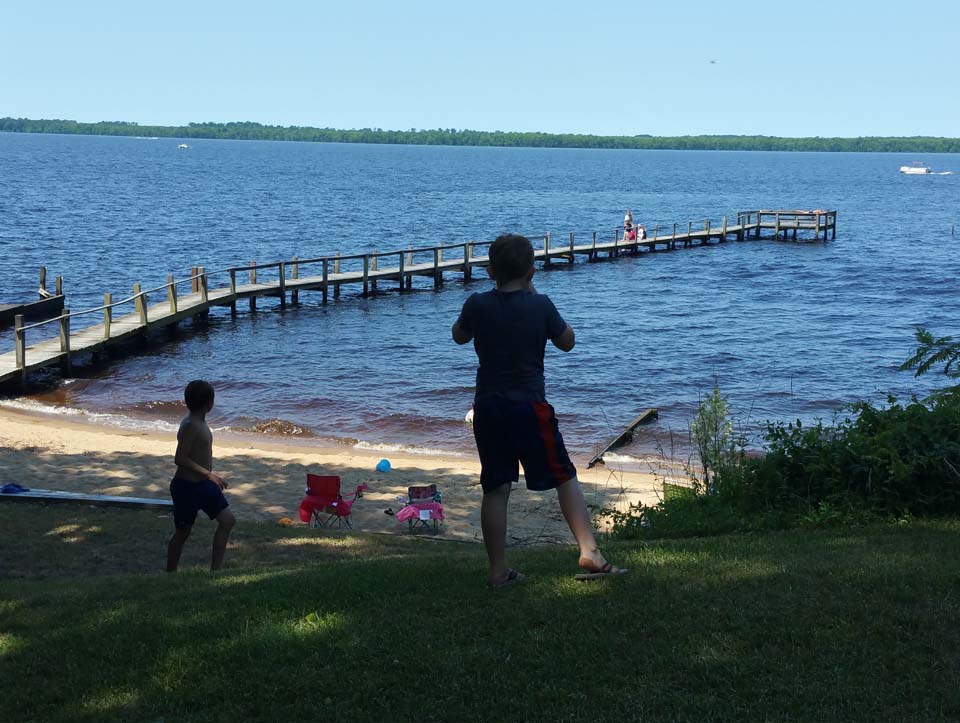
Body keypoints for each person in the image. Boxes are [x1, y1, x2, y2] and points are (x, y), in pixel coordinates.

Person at [452, 234, 627, 588]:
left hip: (487, 407)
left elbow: (459, 335)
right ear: (532, 271)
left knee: (496, 487)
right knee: (563, 476)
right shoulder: (541, 305)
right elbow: (568, 342)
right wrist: (532, 293)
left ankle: (498, 570)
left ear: (490, 271)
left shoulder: (477, 304)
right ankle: (590, 552)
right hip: (530, 406)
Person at [166, 379, 236, 572]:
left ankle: (216, 570)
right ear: (209, 404)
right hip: (186, 487)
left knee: (228, 520)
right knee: (183, 532)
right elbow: (180, 458)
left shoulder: (198, 422)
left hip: (203, 486)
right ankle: (170, 573)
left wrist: (207, 477)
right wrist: (209, 474)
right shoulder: (191, 425)